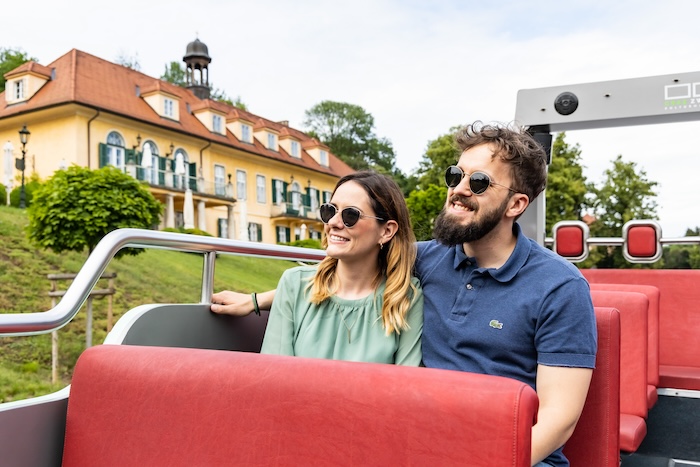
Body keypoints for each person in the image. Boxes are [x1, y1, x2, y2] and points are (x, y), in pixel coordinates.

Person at [211, 122, 596, 467]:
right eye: (455, 176)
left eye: (478, 182)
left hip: (511, 453)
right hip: (423, 444)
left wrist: (489, 459)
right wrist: (257, 300)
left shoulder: (559, 287)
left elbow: (558, 421)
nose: (458, 190)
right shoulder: (424, 259)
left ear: (516, 204)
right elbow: (338, 273)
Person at [212, 171, 423, 366]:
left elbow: (405, 389)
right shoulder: (294, 284)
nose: (333, 222)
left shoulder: (406, 299)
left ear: (387, 231)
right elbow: (275, 378)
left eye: (351, 215)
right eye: (329, 210)